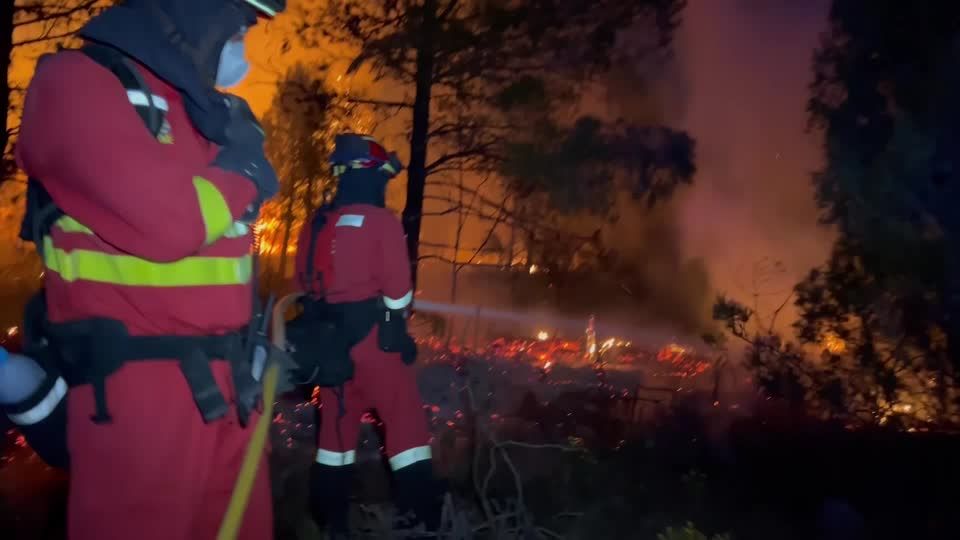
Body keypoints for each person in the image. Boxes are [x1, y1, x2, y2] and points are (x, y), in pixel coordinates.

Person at [14, 1, 286, 539]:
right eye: (239, 28)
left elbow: (220, 262)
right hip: (139, 402)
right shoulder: (76, 86)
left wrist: (258, 344)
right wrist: (245, 172)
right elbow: (170, 224)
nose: (242, 49)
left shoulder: (202, 112)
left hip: (230, 391)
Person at [291, 133, 444, 537]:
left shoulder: (315, 224)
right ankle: (421, 520)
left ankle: (330, 523)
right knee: (406, 430)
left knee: (333, 440)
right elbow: (398, 293)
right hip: (375, 344)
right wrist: (398, 334)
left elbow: (302, 282)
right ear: (369, 175)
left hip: (329, 349)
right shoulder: (381, 223)